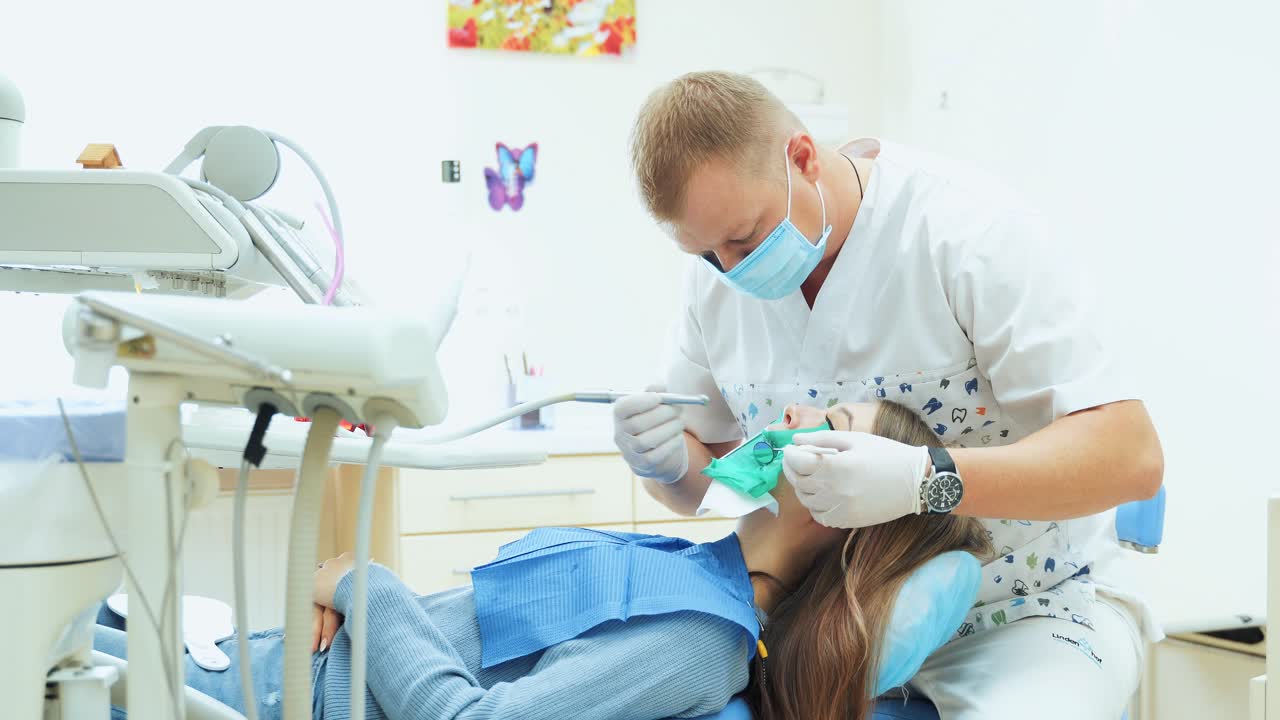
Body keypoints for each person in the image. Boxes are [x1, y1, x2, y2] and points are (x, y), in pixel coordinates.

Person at [615, 70, 1164, 718]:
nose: (731, 270)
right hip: (825, 624)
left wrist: (924, 481)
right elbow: (707, 478)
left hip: (1020, 613)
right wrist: (670, 465)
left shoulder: (965, 232)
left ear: (802, 157)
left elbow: (1131, 458)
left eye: (744, 238)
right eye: (707, 254)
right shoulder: (715, 284)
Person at [93, 401, 984, 720]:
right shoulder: (695, 564)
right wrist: (353, 597)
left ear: (852, 510)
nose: (791, 409)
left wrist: (365, 583)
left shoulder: (702, 640)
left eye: (826, 427)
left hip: (276, 697)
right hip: (276, 660)